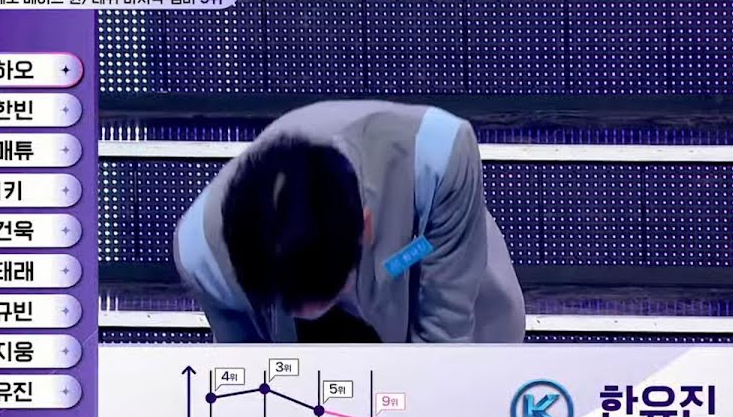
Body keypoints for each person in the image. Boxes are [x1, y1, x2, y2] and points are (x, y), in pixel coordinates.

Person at [173, 100, 525, 343]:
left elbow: (446, 338)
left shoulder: (436, 157)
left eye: (333, 293)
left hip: (417, 257)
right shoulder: (204, 258)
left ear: (365, 227)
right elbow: (249, 378)